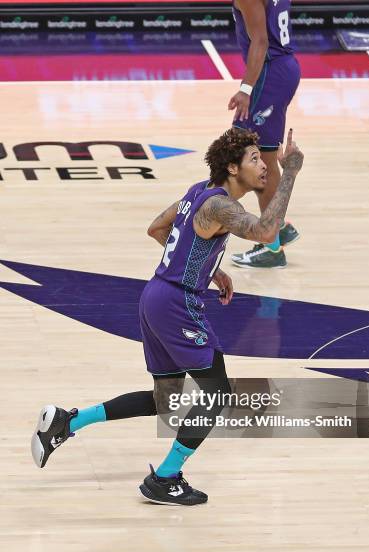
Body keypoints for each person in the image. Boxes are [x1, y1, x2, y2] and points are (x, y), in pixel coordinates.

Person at [31, 128, 303, 506]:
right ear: (231, 167)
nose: (263, 165)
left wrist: (208, 268)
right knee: (216, 393)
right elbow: (266, 230)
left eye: (263, 158)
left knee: (166, 400)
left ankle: (68, 422)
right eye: (255, 159)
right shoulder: (220, 206)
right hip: (177, 306)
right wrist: (288, 173)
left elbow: (157, 228)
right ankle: (166, 476)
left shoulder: (197, 193)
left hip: (155, 296)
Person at [228, 0, 301, 268]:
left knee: (256, 159)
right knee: (261, 156)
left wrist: (246, 89)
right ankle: (279, 226)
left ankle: (272, 248)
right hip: (282, 68)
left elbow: (260, 41)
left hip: (269, 74)